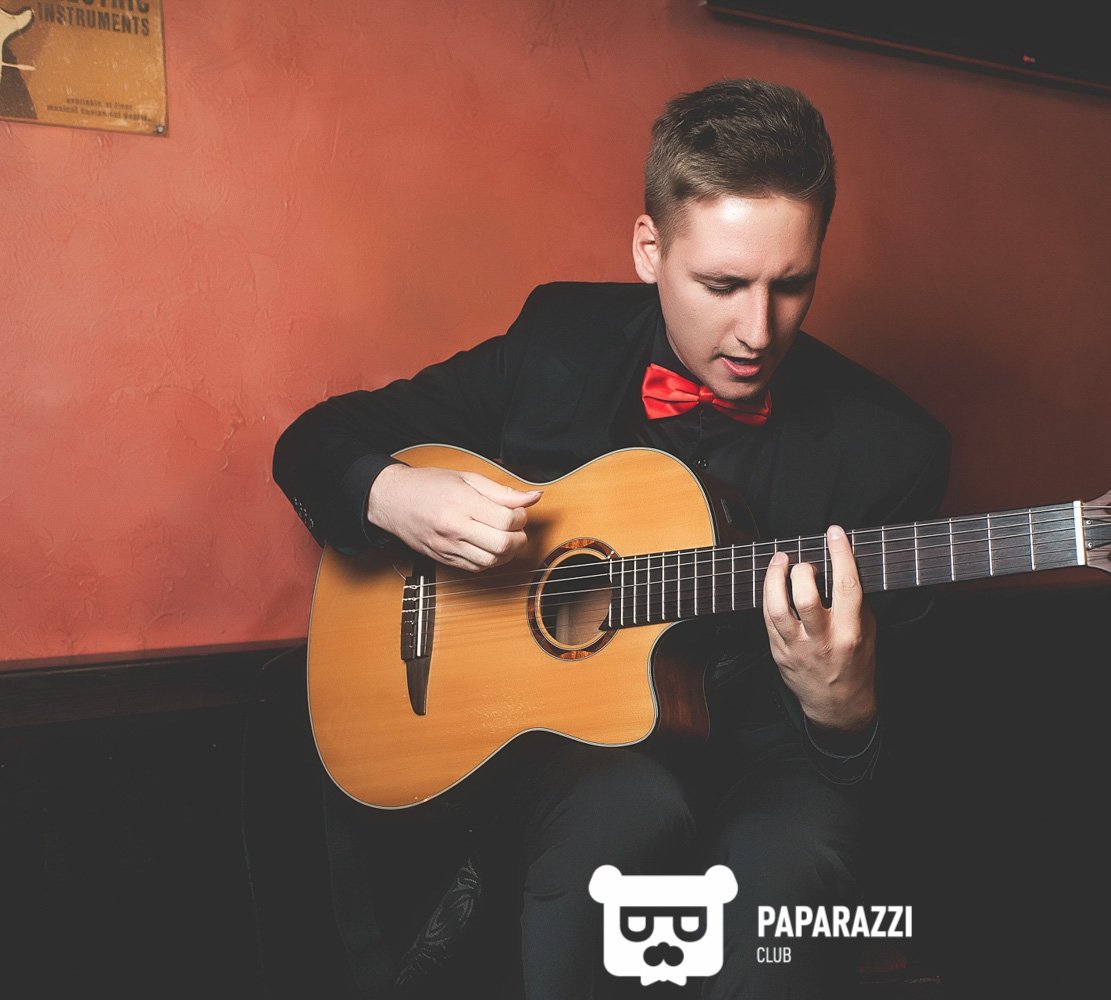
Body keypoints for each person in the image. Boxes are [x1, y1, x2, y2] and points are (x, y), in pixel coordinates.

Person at [273, 78, 950, 998]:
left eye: (793, 285)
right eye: (722, 285)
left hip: (772, 762)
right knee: (617, 819)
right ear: (648, 249)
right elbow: (314, 442)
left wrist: (846, 708)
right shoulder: (561, 340)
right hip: (574, 753)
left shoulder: (892, 449)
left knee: (789, 878)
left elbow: (906, 758)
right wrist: (396, 495)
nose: (759, 330)